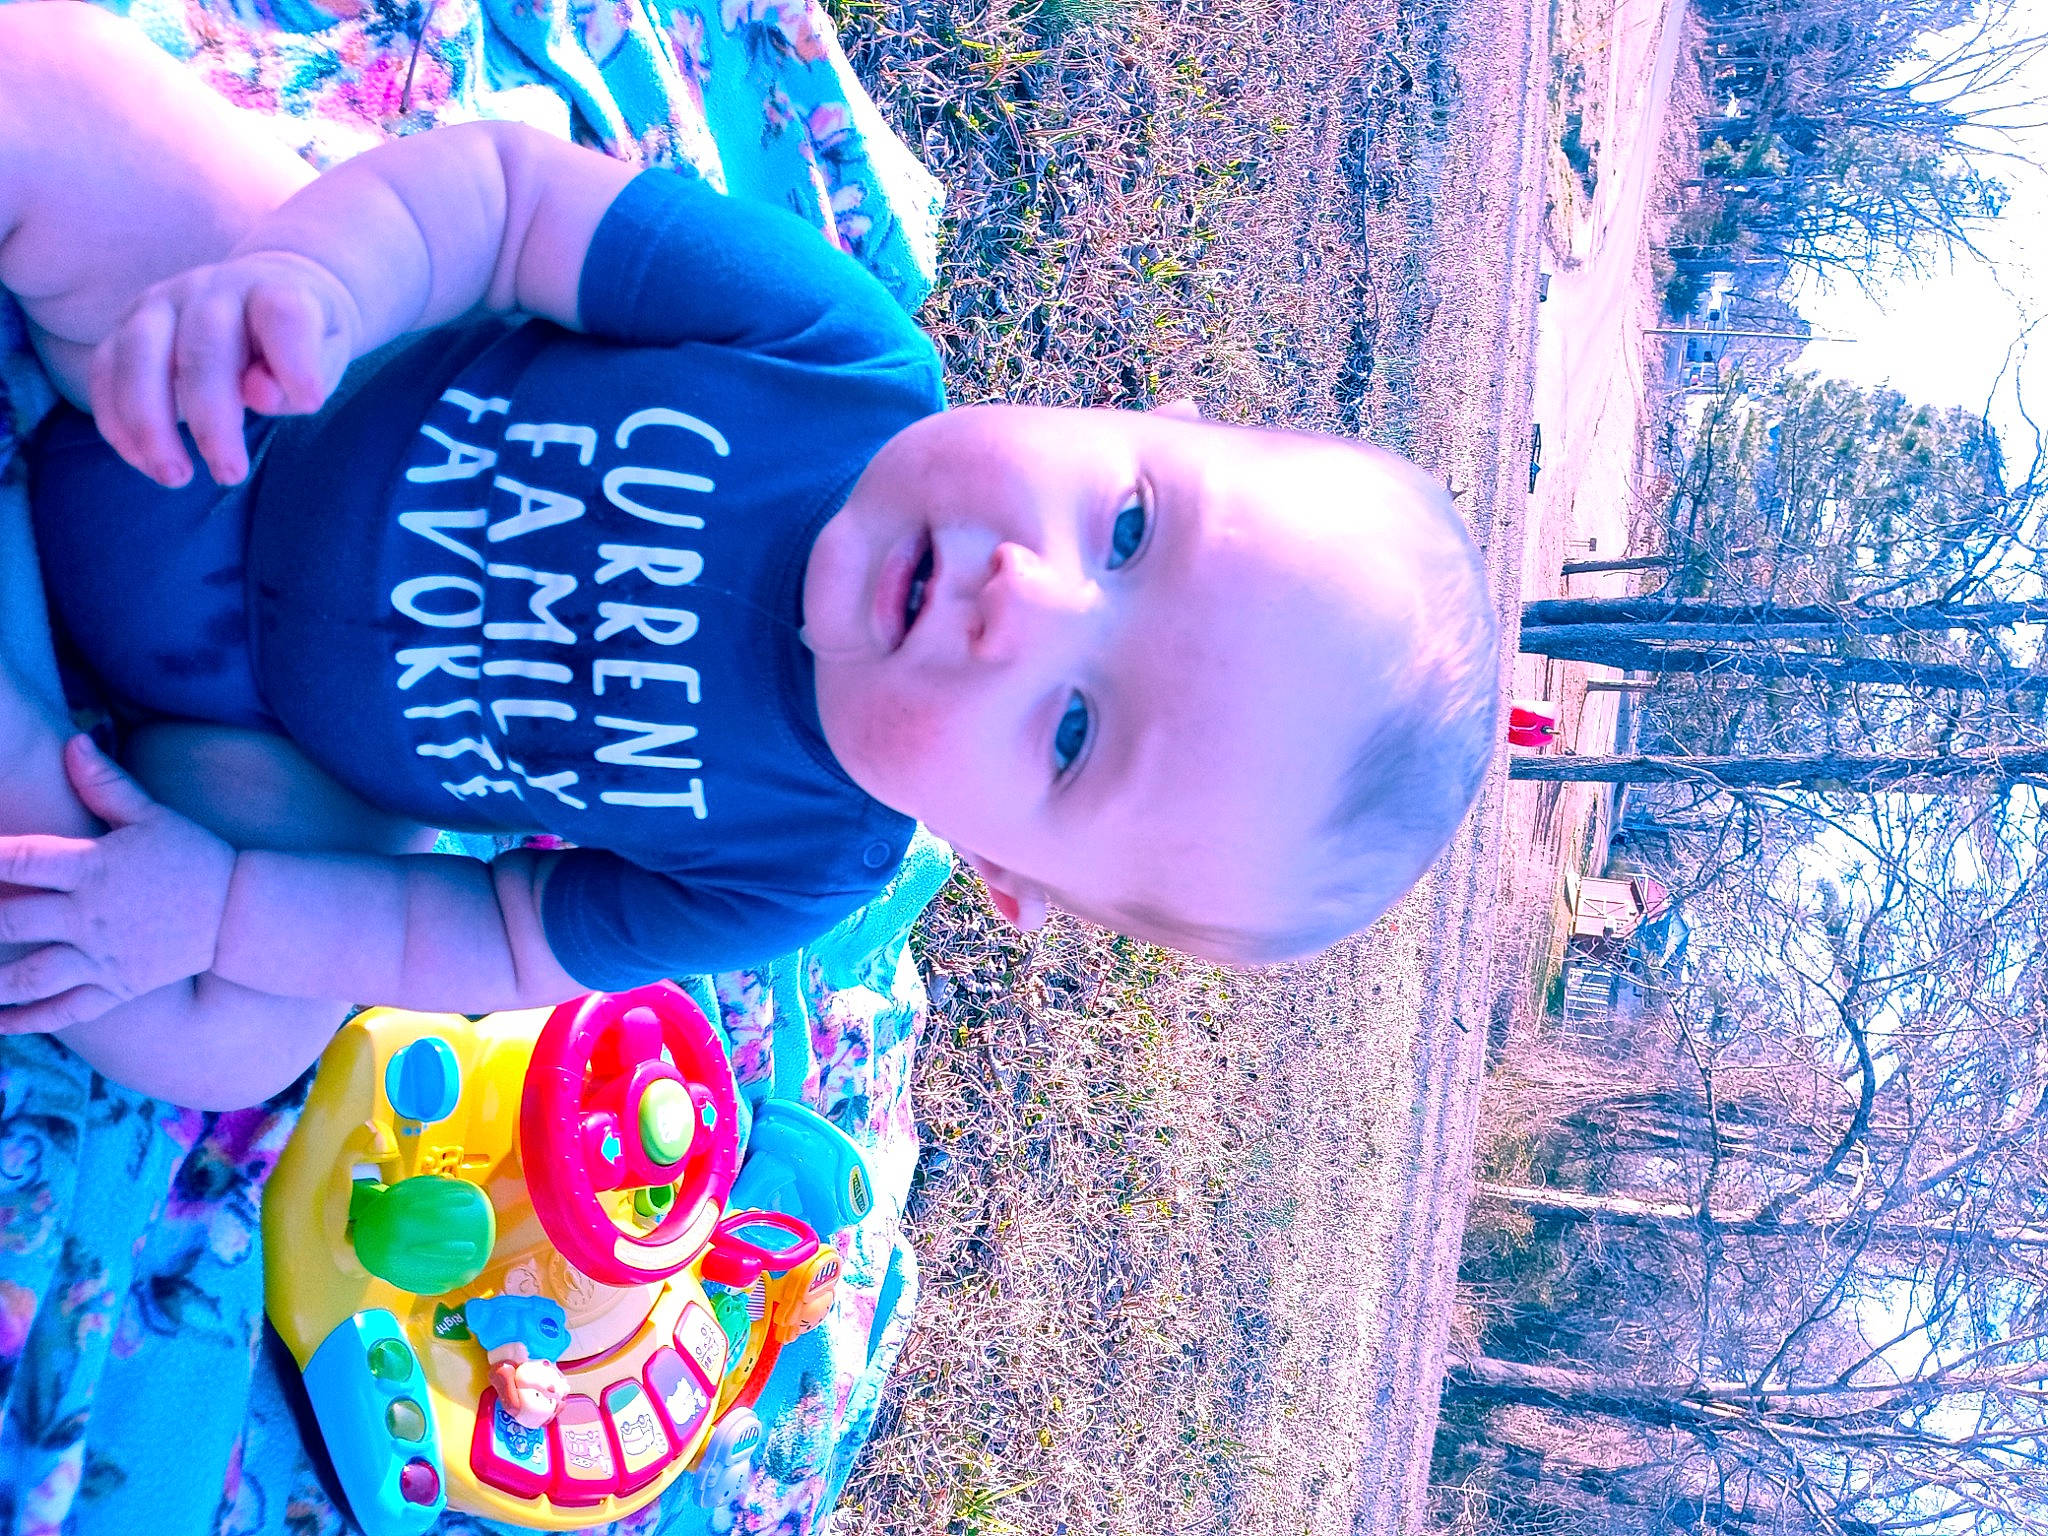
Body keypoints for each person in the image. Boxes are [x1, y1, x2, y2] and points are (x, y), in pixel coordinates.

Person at [0, 3, 1499, 1108]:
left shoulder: (790, 868)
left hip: (273, 748)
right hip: (274, 372)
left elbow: (487, 933)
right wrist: (313, 276)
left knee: (222, 1035)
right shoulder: (832, 351)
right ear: (1139, 419)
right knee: (45, 90)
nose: (1021, 600)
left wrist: (211, 906)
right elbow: (510, 205)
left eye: (1074, 728)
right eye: (1127, 530)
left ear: (1006, 869)